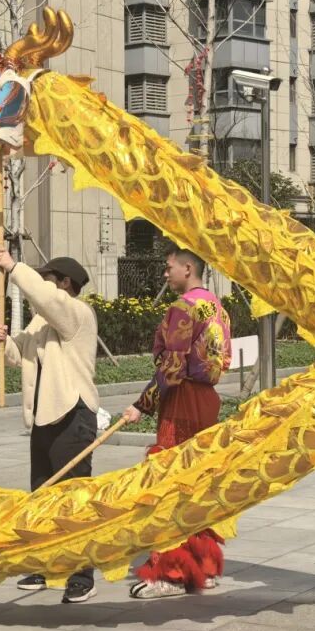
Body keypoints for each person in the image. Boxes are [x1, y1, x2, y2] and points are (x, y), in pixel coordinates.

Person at [0, 249, 100, 603]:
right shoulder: (41, 322)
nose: (39, 286)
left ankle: (81, 574)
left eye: (47, 279)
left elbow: (46, 298)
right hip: (43, 416)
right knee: (42, 495)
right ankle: (45, 563)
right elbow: (19, 354)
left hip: (73, 416)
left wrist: (14, 267)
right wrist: (3, 342)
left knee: (74, 499)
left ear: (65, 284)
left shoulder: (77, 313)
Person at [121, 247, 231, 599]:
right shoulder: (215, 306)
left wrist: (142, 404)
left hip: (182, 399)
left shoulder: (183, 307)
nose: (165, 274)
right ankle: (203, 567)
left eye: (169, 267)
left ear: (188, 268)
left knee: (172, 482)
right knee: (199, 482)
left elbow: (172, 366)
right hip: (207, 400)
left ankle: (171, 571)